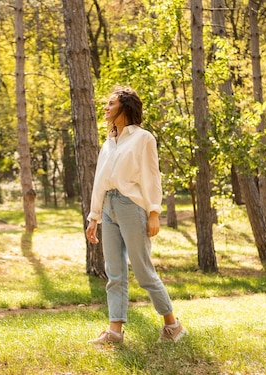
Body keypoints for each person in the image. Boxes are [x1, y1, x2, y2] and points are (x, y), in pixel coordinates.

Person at [86, 86, 186, 345]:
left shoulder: (143, 138)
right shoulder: (108, 142)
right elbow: (100, 180)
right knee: (114, 273)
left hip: (132, 207)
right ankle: (115, 332)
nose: (106, 108)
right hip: (108, 207)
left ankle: (172, 325)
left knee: (143, 271)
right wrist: (94, 217)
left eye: (111, 103)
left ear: (125, 107)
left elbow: (152, 177)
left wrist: (154, 212)